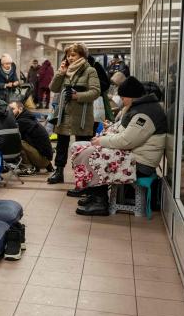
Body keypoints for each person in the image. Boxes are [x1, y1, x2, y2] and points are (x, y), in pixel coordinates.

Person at [75, 77, 166, 216]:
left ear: (132, 96)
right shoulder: (141, 108)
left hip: (141, 164)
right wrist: (104, 139)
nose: (122, 101)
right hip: (136, 156)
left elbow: (126, 141)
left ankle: (100, 203)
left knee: (93, 155)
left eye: (123, 98)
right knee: (89, 151)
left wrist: (102, 141)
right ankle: (94, 194)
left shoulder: (145, 114)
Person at [47, 43, 101, 184]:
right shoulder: (65, 71)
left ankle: (82, 176)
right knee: (61, 145)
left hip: (82, 115)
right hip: (64, 113)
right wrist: (60, 72)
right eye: (68, 55)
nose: (70, 58)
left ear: (82, 55)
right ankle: (58, 172)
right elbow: (53, 87)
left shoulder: (90, 71)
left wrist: (78, 96)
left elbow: (96, 91)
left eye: (73, 55)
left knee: (82, 147)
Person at [9, 100, 53, 175]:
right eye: (9, 110)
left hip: (43, 160)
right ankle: (35, 166)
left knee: (16, 142)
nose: (10, 112)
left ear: (20, 109)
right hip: (45, 159)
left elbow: (10, 138)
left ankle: (28, 168)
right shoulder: (28, 117)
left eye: (12, 109)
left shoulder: (22, 121)